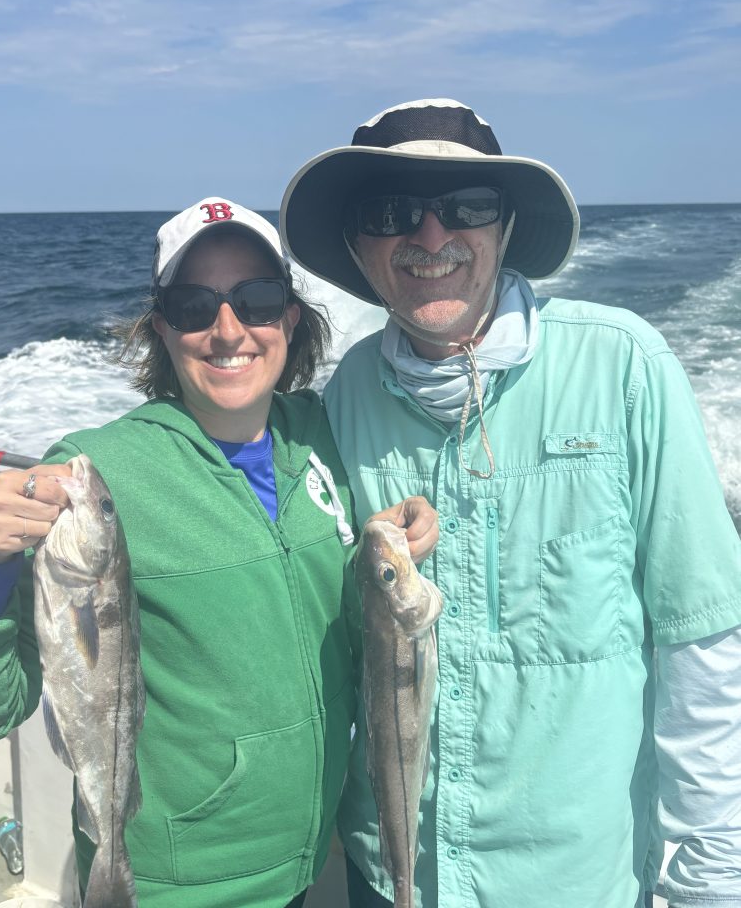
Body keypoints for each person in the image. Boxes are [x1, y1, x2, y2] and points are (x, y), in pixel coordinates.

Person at [279, 100, 741, 908]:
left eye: (467, 206)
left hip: (574, 881)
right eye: (390, 212)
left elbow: (701, 643)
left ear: (503, 226)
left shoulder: (628, 367)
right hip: (388, 874)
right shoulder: (344, 394)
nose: (430, 237)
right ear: (359, 245)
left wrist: (710, 880)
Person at [0, 196, 438, 908]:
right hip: (173, 886)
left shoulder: (321, 436)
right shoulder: (93, 476)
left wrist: (390, 538)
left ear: (289, 318)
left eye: (256, 300)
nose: (228, 330)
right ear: (162, 328)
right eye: (196, 306)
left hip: (314, 862)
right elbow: (2, 702)